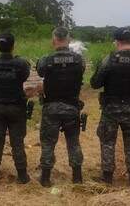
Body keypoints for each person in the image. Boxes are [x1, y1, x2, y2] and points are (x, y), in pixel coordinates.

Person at [90, 27, 130, 186]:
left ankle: (107, 177)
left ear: (117, 41)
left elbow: (95, 83)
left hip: (111, 109)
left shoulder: (109, 59)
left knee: (107, 141)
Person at [37, 27, 85, 187]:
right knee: (73, 142)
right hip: (71, 107)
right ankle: (77, 177)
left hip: (51, 107)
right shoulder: (79, 59)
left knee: (48, 143)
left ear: (54, 40)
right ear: (69, 40)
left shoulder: (46, 59)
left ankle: (45, 178)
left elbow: (40, 72)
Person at [0, 32, 31, 185]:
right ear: (13, 46)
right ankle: (23, 175)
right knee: (17, 142)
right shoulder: (22, 64)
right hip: (16, 107)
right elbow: (24, 77)